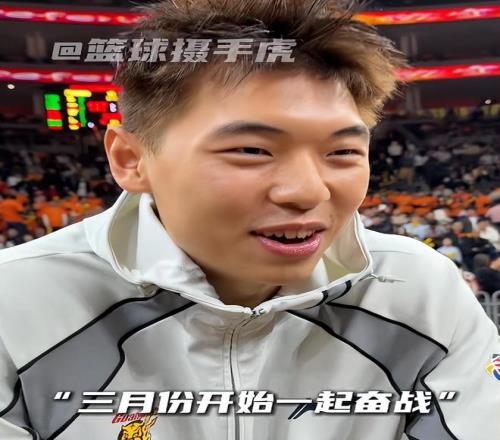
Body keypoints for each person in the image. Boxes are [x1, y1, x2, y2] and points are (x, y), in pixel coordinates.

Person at [0, 1, 498, 439]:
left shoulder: (420, 290)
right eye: (252, 150)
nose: (309, 190)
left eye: (343, 151)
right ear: (131, 159)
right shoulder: (16, 304)